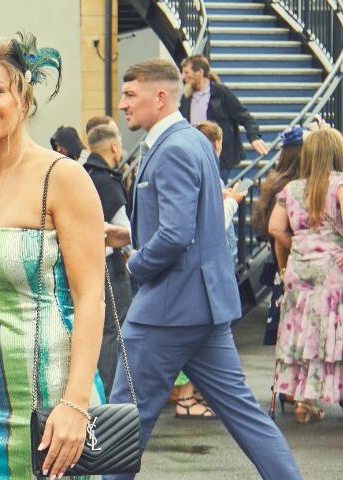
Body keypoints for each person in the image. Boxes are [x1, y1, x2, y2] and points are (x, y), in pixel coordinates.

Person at [112, 57, 299, 479]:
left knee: (125, 415)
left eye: (130, 94)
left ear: (160, 97)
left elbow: (177, 235)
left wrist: (137, 261)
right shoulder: (193, 141)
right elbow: (192, 224)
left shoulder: (175, 147)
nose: (123, 105)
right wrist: (129, 237)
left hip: (168, 310)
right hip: (205, 307)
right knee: (244, 415)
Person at [0, 34, 106, 479]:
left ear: (23, 95)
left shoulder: (63, 176)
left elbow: (91, 297)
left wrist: (75, 404)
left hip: (50, 406)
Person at [267, 126, 343, 423]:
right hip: (333, 272)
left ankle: (304, 400)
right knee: (331, 332)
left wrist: (296, 248)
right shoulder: (339, 185)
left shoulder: (292, 189)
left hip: (299, 270)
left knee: (303, 330)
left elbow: (275, 228)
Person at [83, 125, 134, 393]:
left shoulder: (82, 174)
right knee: (114, 331)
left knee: (97, 330)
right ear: (114, 147)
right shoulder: (108, 180)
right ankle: (113, 392)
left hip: (85, 264)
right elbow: (122, 229)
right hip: (109, 265)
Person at [257, 127, 308, 349]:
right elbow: (277, 230)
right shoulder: (293, 186)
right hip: (293, 266)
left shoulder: (275, 182)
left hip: (282, 268)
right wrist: (302, 247)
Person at [180, 54, 268, 171]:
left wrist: (254, 137)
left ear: (200, 72)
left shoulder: (221, 92)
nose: (183, 76)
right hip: (194, 156)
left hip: (219, 157)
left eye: (187, 72)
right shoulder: (186, 97)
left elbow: (244, 116)